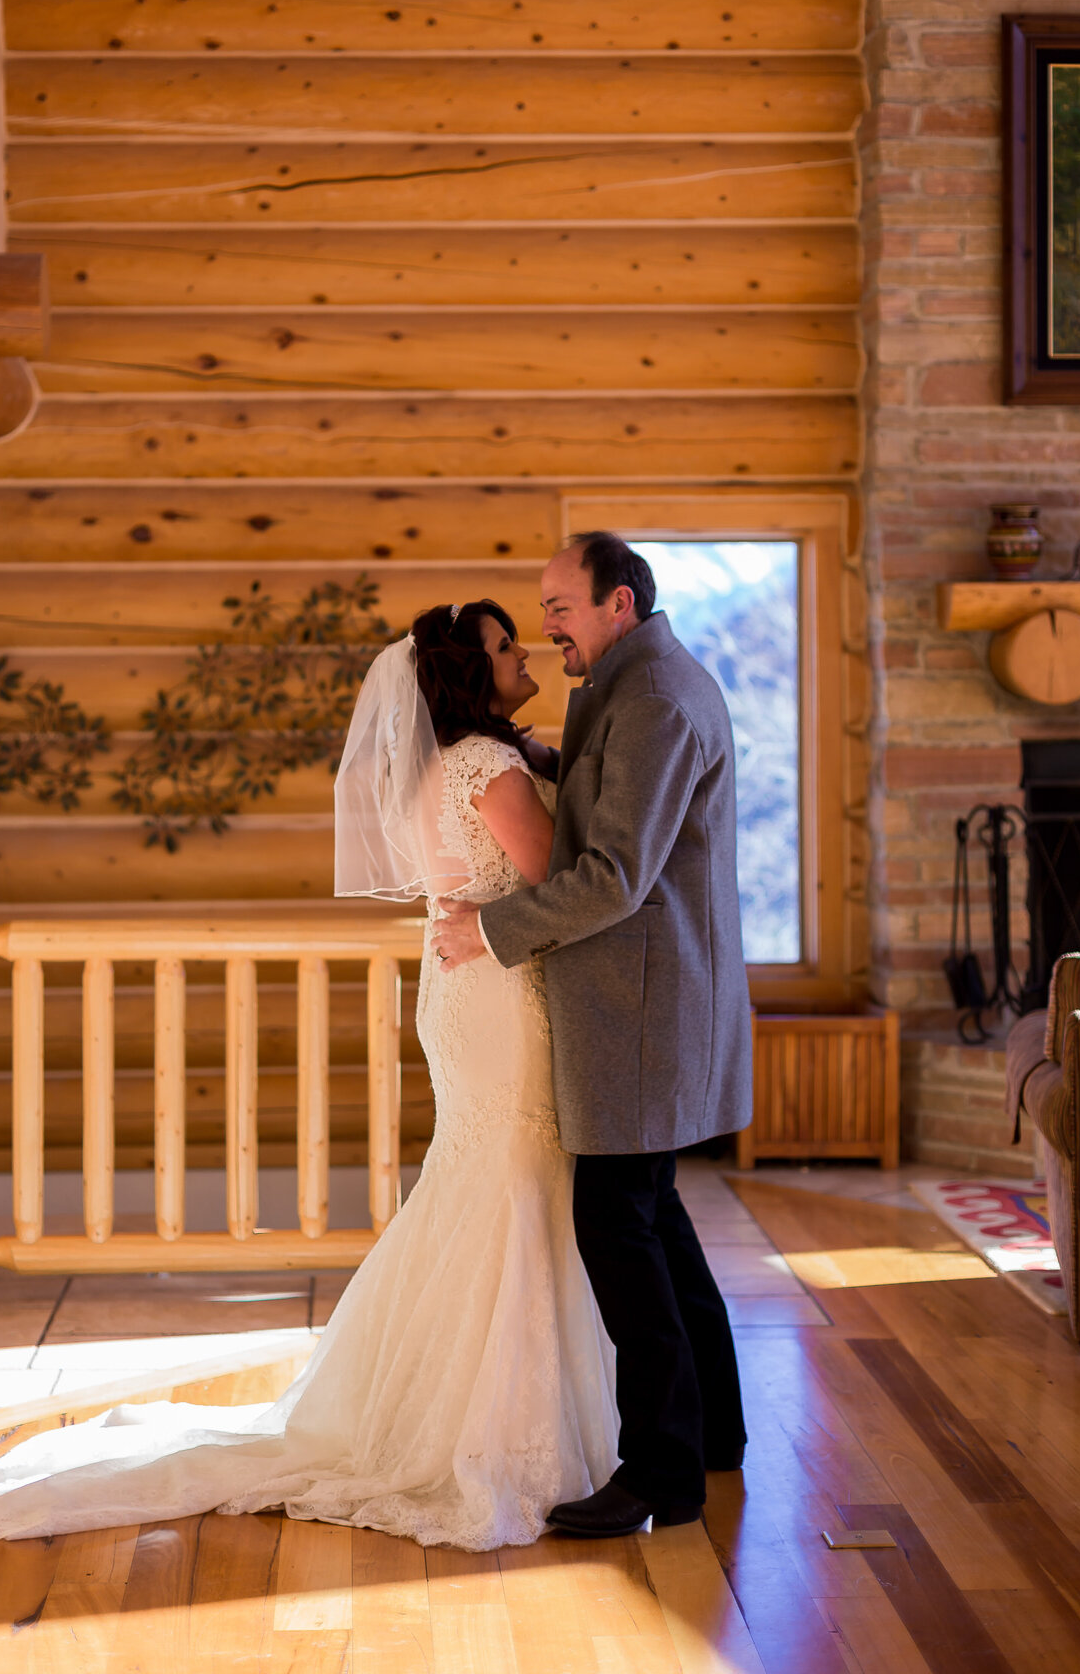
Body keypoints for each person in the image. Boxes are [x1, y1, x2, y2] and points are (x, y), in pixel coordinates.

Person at [0, 600, 618, 1550]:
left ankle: (437, 1404)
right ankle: (493, 1430)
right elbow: (561, 884)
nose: (523, 653)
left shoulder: (444, 765)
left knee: (480, 1180)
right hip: (499, 997)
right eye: (503, 645)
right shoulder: (488, 767)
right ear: (469, 676)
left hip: (458, 991)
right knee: (515, 1179)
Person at [434, 533, 752, 1539]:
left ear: (618, 602)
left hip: (642, 1007)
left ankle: (661, 1471)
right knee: (652, 1215)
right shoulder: (639, 681)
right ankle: (716, 1435)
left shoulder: (652, 697)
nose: (546, 627)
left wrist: (489, 931)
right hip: (648, 999)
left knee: (619, 1225)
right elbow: (621, 795)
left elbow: (616, 872)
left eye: (559, 607)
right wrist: (545, 759)